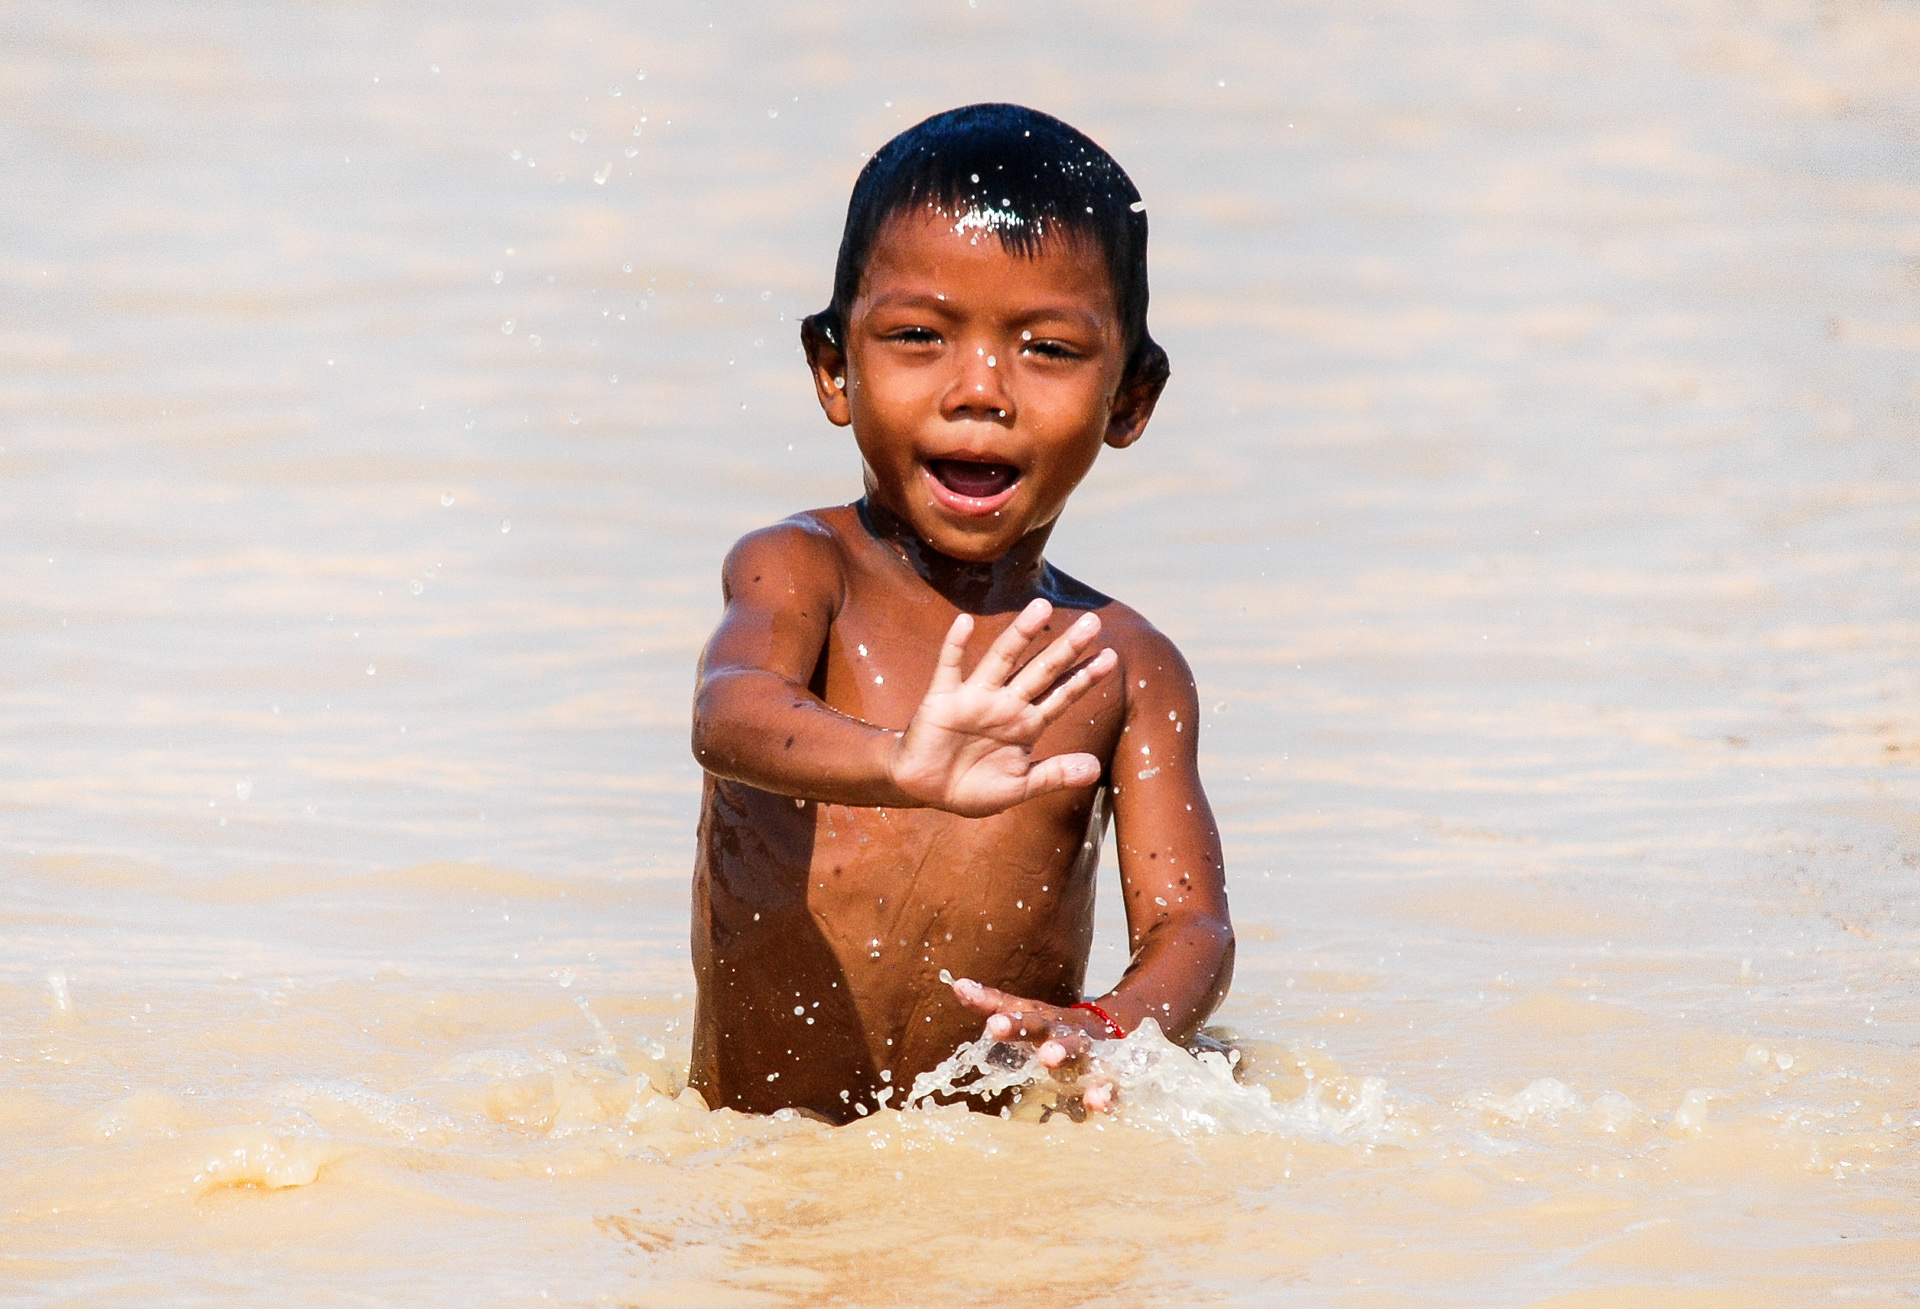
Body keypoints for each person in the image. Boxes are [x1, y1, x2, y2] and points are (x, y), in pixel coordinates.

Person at [688, 103, 1233, 1123]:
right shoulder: (801, 572)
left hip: (986, 1171)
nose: (979, 389)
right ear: (833, 367)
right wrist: (900, 761)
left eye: (1050, 350)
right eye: (918, 337)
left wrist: (1110, 1026)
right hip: (760, 1158)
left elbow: (1191, 929)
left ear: (1131, 398)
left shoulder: (1122, 663)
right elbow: (729, 715)